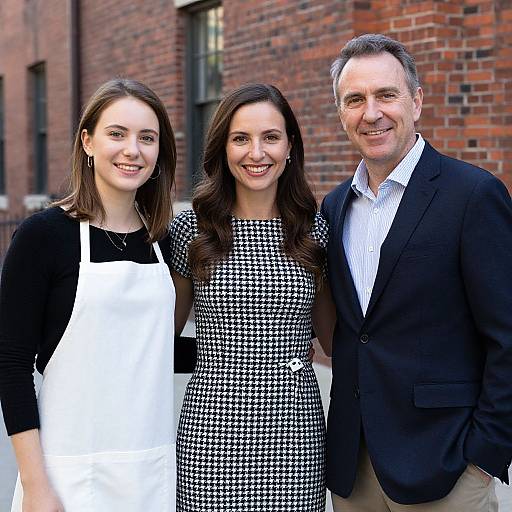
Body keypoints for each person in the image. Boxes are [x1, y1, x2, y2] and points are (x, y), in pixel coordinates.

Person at [321, 33, 512, 512]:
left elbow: (507, 336)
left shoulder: (473, 195)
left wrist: (485, 456)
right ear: (342, 114)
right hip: (354, 467)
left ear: (416, 100)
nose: (372, 112)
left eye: (386, 94)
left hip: (446, 467)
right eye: (355, 100)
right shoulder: (334, 206)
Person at [0, 78, 179, 511]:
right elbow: (12, 364)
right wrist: (36, 486)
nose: (132, 150)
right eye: (117, 134)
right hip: (66, 475)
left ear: (159, 154)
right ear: (88, 142)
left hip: (150, 472)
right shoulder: (42, 236)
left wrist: (250, 348)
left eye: (147, 138)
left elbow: (151, 349)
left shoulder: (164, 240)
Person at [170, 83, 335, 511]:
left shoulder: (315, 232)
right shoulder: (194, 231)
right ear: (223, 148)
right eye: (240, 138)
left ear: (290, 146)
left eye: (270, 137)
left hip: (295, 433)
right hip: (211, 431)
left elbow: (336, 341)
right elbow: (158, 335)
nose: (256, 153)